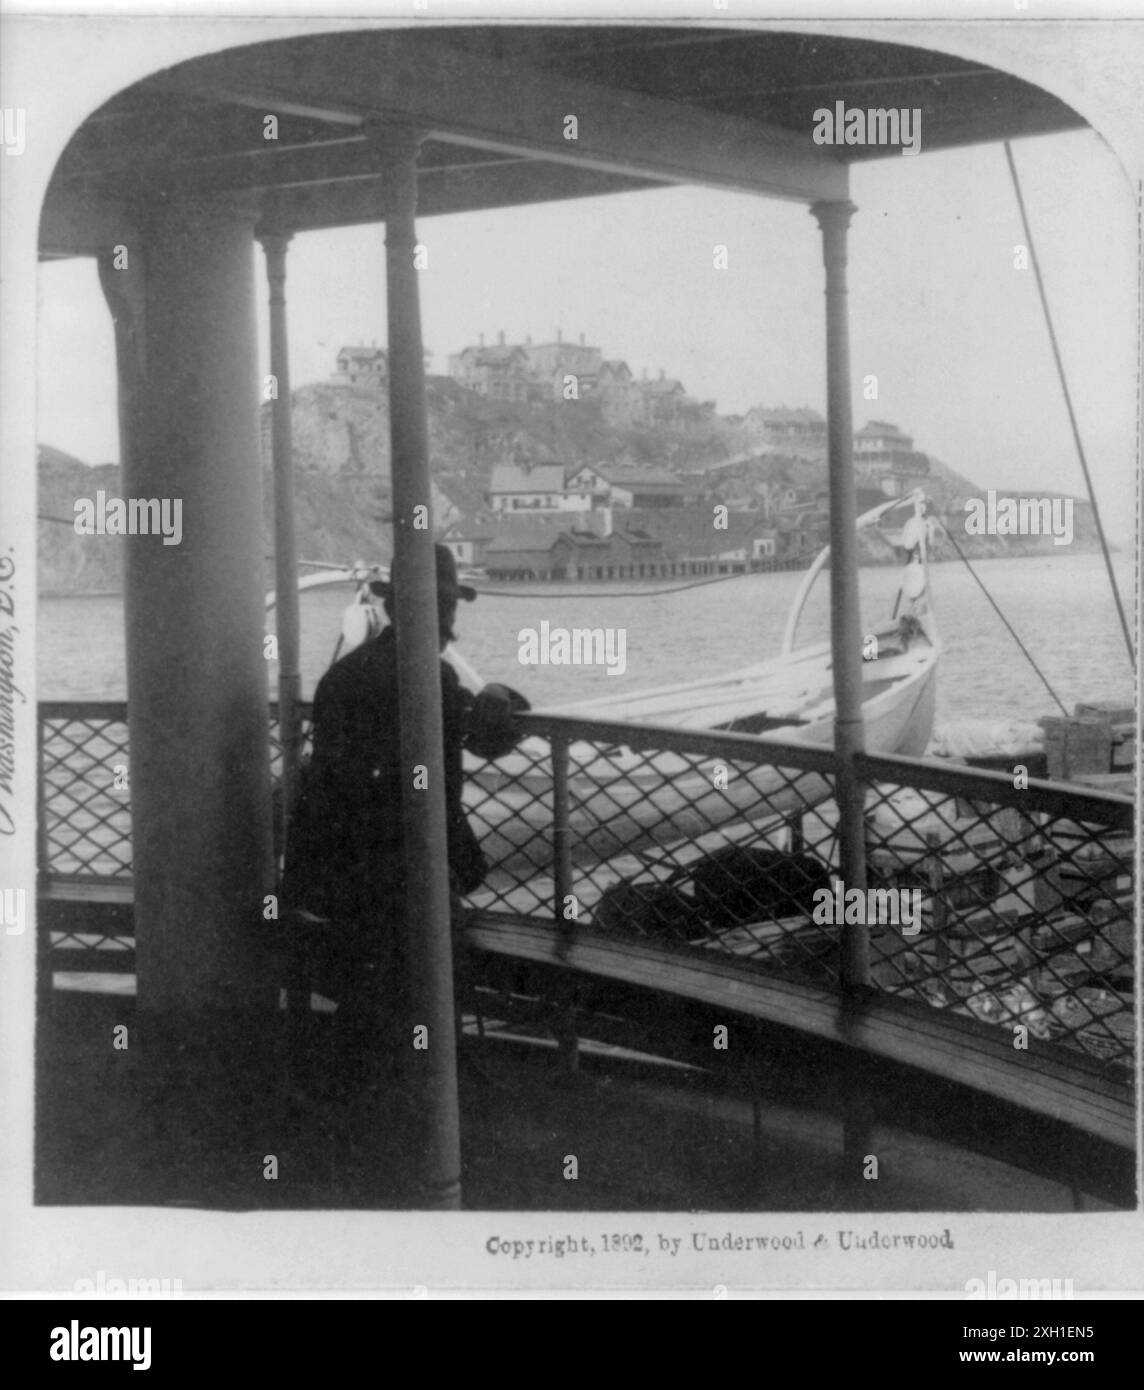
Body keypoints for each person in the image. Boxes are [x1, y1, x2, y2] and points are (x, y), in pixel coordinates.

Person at [282, 541, 528, 1091]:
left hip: (336, 878)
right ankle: (436, 1079)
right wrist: (497, 695)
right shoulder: (431, 679)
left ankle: (375, 1083)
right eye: (445, 607)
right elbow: (495, 737)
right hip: (399, 879)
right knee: (429, 959)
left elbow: (339, 788)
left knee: (381, 990)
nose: (448, 619)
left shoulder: (345, 677)